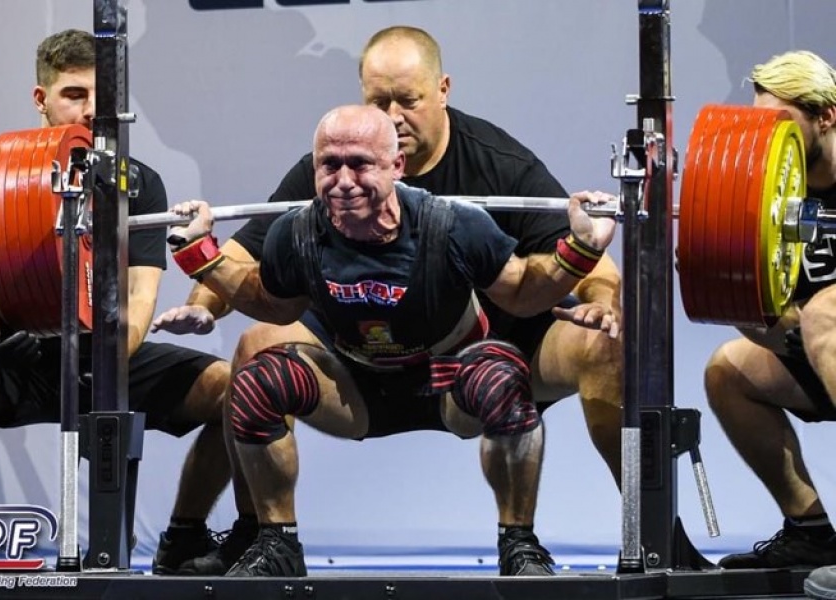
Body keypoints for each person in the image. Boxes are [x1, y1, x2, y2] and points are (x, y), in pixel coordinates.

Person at [152, 25, 624, 575]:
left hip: (466, 364)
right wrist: (202, 288)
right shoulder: (320, 190)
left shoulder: (472, 199)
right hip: (355, 370)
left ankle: (633, 532)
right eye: (379, 103)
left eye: (408, 101)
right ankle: (261, 537)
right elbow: (256, 281)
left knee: (592, 346)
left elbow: (530, 288)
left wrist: (595, 282)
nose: (345, 183)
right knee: (256, 355)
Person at [0, 29, 233, 574]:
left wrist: (112, 361)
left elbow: (140, 295)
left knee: (238, 390)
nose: (90, 112)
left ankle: (184, 536)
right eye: (74, 94)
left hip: (110, 355)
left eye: (103, 99)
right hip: (22, 358)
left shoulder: (138, 184)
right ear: (41, 98)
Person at [703, 50, 836, 578]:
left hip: (827, 327)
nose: (769, 136)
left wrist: (819, 321)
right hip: (821, 346)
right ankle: (811, 533)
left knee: (824, 311)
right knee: (728, 370)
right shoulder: (766, 186)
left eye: (781, 121)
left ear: (826, 116)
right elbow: (774, 324)